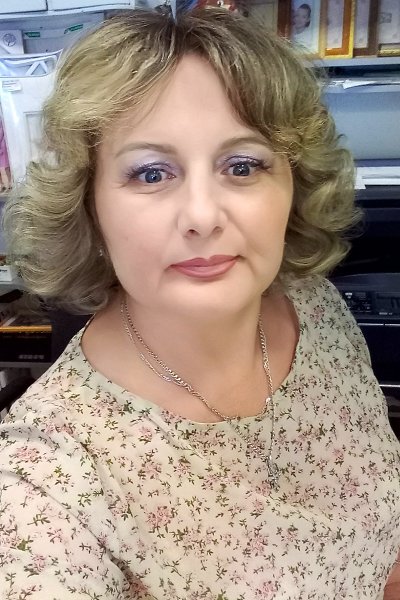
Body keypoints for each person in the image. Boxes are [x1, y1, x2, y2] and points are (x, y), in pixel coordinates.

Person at [1, 7, 399, 599]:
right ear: (89, 206)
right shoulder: (48, 483)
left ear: (294, 184)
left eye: (242, 165)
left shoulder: (315, 309)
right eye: (151, 174)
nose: (203, 216)